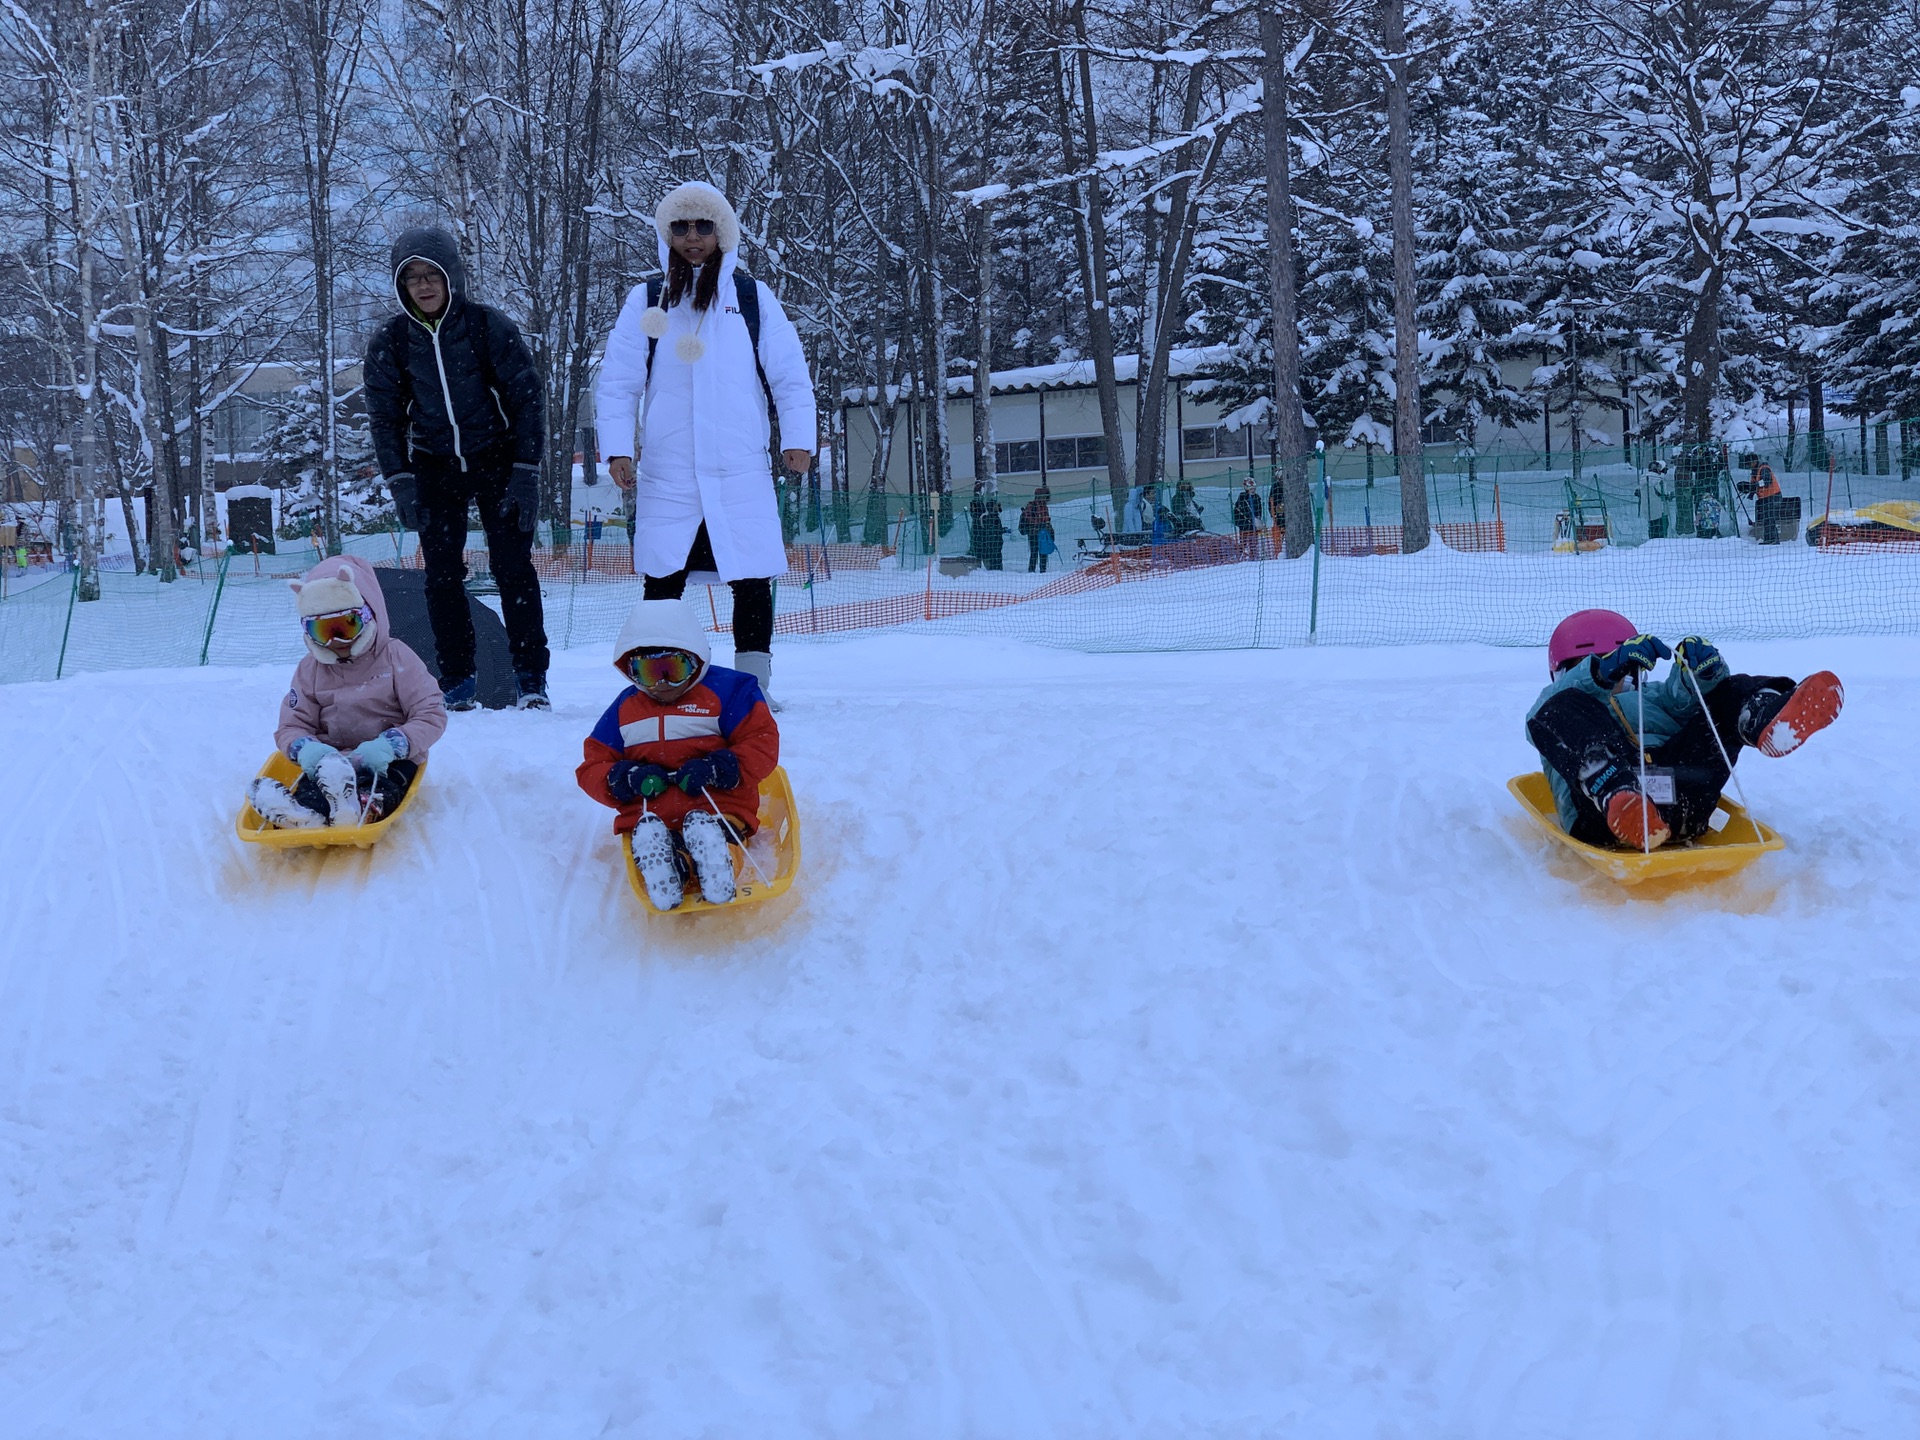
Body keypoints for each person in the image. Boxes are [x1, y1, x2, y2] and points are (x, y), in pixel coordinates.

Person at [595, 182, 817, 711]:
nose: (692, 237)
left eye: (703, 226)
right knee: (662, 582)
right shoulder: (648, 299)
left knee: (752, 578)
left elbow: (787, 372)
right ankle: (659, 682)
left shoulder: (750, 296)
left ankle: (753, 690)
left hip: (739, 468)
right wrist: (618, 448)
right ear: (665, 233)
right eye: (680, 226)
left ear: (723, 232)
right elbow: (619, 380)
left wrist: (800, 436)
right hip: (670, 473)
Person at [364, 226, 552, 711]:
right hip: (434, 467)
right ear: (401, 287)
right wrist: (401, 482)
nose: (424, 286)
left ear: (453, 277)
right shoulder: (392, 343)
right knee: (441, 577)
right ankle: (457, 679)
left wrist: (525, 472)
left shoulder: (490, 328)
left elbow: (527, 401)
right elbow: (385, 419)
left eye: (433, 275)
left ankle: (531, 678)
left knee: (514, 570)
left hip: (497, 461)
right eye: (413, 279)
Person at [1525, 608, 1843, 851]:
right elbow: (1542, 715)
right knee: (1555, 712)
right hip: (1598, 813)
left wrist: (1702, 672)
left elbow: (1684, 702)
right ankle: (1618, 795)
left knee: (1726, 692)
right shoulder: (1562, 708)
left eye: (1624, 671)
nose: (1618, 681)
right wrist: (1600, 673)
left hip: (1684, 799)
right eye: (1581, 666)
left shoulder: (1653, 696)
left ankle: (1762, 716)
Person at [576, 599, 780, 910]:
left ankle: (719, 864)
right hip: (652, 814)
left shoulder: (729, 691)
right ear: (629, 670)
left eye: (672, 669)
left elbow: (761, 741)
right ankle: (671, 866)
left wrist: (718, 768)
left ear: (696, 659)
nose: (660, 684)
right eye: (647, 671)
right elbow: (592, 765)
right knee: (659, 837)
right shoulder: (625, 708)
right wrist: (625, 778)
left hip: (718, 803)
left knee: (719, 834)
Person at [248, 556, 448, 829]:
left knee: (383, 785)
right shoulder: (311, 669)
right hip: (331, 762)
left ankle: (361, 806)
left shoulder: (395, 657)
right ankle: (304, 814)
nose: (336, 641)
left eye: (347, 626)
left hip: (389, 759)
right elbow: (292, 725)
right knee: (315, 786)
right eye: (323, 631)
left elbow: (430, 713)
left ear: (369, 614)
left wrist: (391, 745)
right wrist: (309, 751)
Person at [1737, 452, 1788, 544]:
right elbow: (1755, 485)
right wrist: (1748, 488)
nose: (1749, 465)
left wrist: (1754, 485)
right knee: (1766, 519)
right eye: (1747, 464)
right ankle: (1770, 539)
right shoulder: (1754, 471)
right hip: (1765, 498)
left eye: (1749, 463)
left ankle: (1772, 540)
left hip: (1773, 497)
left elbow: (1766, 481)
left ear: (1755, 461)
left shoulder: (1764, 468)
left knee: (1769, 518)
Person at [1017, 487, 1054, 573]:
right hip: (1033, 533)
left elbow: (1046, 519)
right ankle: (1031, 570)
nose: (1045, 498)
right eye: (1044, 496)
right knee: (1034, 552)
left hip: (1043, 532)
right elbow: (1028, 517)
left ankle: (1043, 569)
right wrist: (1038, 524)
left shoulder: (1044, 507)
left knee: (1043, 551)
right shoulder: (1031, 505)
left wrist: (1049, 527)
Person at [969, 482, 1005, 570]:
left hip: (989, 544)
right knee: (983, 562)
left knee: (991, 562)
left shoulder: (991, 516)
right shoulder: (983, 516)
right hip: (984, 543)